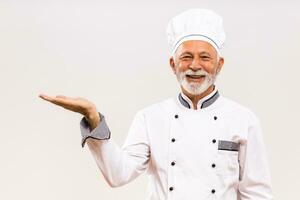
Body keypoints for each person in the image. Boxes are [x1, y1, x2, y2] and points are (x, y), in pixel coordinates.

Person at [39, 9, 273, 200]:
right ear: (173, 64)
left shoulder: (243, 119)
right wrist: (93, 118)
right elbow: (118, 174)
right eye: (186, 57)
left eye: (204, 57)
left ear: (219, 64)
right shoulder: (150, 118)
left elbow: (257, 193)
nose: (194, 65)